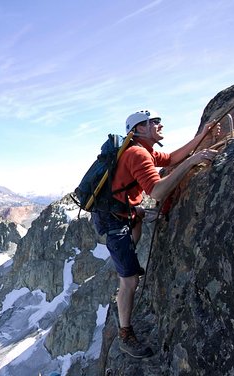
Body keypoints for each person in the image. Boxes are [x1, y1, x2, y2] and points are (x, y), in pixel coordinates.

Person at [93, 109, 220, 358]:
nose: (159, 124)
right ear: (139, 129)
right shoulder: (138, 154)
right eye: (153, 122)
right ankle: (125, 335)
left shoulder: (145, 151)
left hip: (123, 211)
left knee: (136, 228)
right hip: (113, 220)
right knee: (130, 281)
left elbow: (171, 158)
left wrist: (202, 136)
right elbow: (157, 192)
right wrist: (191, 163)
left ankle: (126, 263)